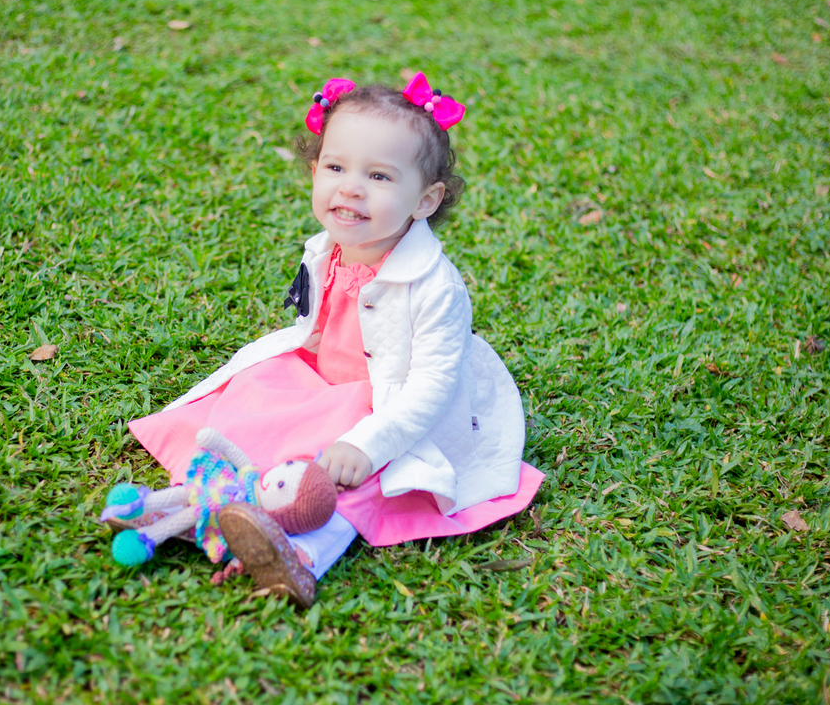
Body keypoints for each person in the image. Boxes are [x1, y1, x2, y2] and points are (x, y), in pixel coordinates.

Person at [124, 73, 545, 607]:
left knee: (354, 478)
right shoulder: (326, 246)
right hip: (323, 379)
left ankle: (298, 554)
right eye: (336, 167)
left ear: (426, 200)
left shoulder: (436, 286)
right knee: (245, 403)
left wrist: (368, 444)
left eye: (379, 176)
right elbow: (314, 321)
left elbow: (431, 385)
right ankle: (196, 504)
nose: (350, 187)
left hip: (390, 401)